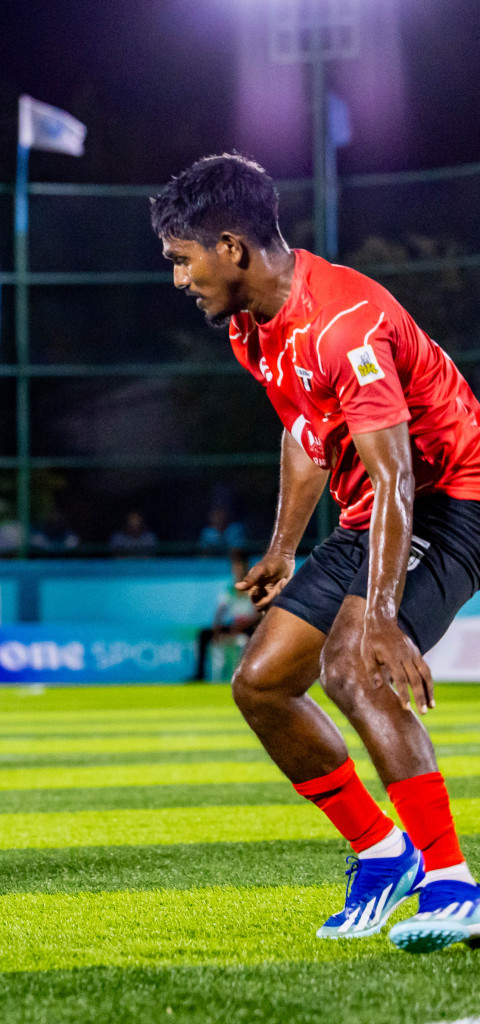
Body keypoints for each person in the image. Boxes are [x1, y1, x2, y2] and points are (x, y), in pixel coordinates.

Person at [153, 152, 480, 952]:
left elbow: (399, 471)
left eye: (181, 259)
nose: (179, 279)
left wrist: (385, 618)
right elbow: (306, 432)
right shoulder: (250, 326)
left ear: (230, 247)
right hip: (372, 511)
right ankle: (381, 852)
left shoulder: (344, 322)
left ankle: (452, 883)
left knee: (353, 666)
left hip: (452, 497)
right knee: (262, 685)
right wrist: (283, 547)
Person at [194, 550, 261, 681]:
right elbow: (221, 610)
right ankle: (199, 675)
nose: (236, 570)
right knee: (203, 634)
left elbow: (258, 615)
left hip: (249, 627)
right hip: (233, 625)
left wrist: (243, 625)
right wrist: (216, 628)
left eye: (240, 567)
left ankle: (247, 675)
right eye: (234, 567)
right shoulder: (230, 589)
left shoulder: (254, 588)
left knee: (253, 634)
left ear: (246, 568)